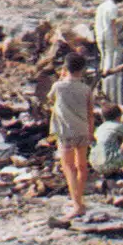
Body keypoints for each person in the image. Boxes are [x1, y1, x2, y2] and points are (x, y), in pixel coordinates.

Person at [50, 53, 94, 219]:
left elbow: (49, 99)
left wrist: (61, 77)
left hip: (66, 132)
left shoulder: (58, 86)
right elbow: (90, 113)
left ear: (65, 68)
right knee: (82, 166)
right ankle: (79, 199)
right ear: (82, 69)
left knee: (68, 167)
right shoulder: (86, 89)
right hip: (82, 130)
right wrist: (91, 132)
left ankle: (77, 205)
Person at [89, 104, 123, 176]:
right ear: (119, 116)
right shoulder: (119, 126)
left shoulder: (99, 128)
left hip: (95, 164)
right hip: (110, 163)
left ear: (102, 117)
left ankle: (110, 170)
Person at [95, 0, 123, 106]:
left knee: (103, 59)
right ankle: (109, 91)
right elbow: (113, 24)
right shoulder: (113, 7)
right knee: (110, 61)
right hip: (108, 35)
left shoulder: (101, 6)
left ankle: (101, 86)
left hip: (99, 35)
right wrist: (116, 38)